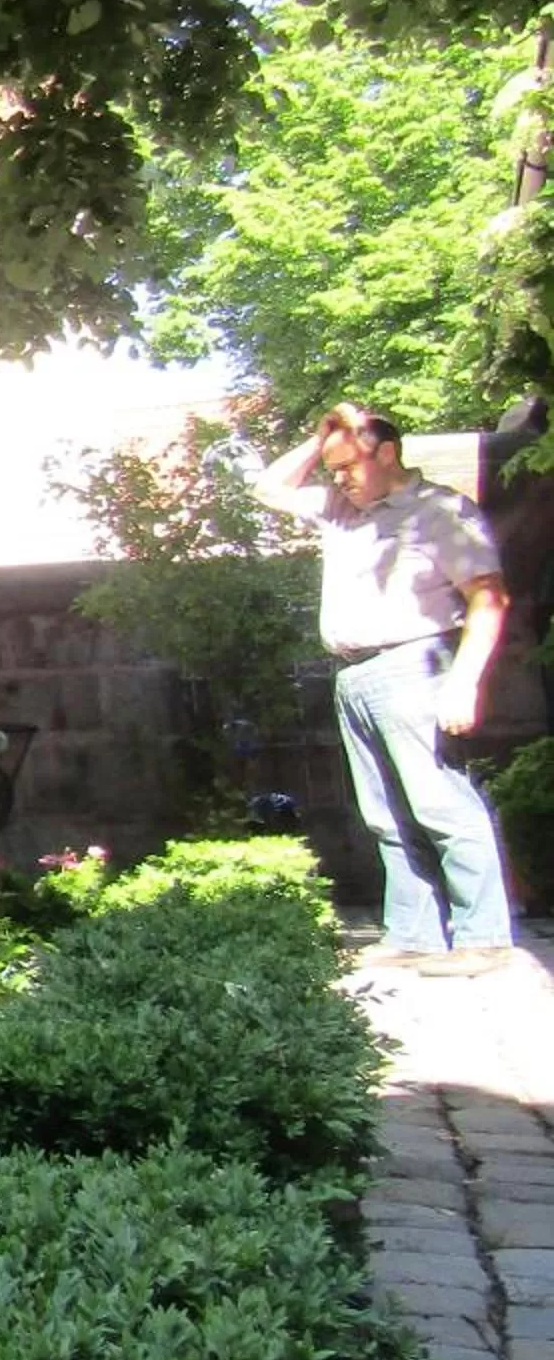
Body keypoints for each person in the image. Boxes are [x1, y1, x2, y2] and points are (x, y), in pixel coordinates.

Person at [257, 403, 516, 975]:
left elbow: (488, 599)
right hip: (355, 674)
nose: (339, 478)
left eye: (348, 464)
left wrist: (464, 684)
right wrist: (322, 435)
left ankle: (486, 938)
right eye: (332, 468)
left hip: (416, 664)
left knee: (441, 804)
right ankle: (416, 934)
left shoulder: (441, 512)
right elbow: (268, 486)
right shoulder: (339, 510)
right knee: (385, 815)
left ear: (388, 453)